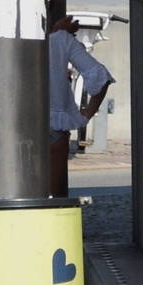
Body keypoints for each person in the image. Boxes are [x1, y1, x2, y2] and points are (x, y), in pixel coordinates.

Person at [46, 13, 113, 199]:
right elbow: (100, 76)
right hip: (54, 128)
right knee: (50, 200)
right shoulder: (61, 40)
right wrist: (86, 114)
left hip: (9, 129)